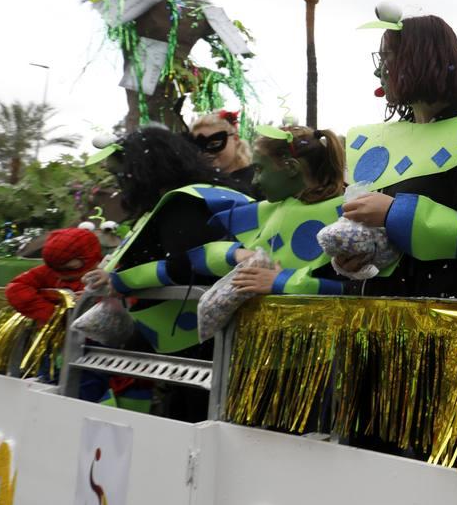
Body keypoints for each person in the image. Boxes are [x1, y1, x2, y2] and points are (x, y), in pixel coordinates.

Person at [335, 14, 457, 299]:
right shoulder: (383, 141)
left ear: (418, 59)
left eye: (386, 58)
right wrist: (354, 258)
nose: (379, 72)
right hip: (382, 318)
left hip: (450, 319)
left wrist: (394, 213)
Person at [81, 127, 251, 356]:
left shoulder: (183, 202)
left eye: (122, 174)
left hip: (199, 344)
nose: (121, 183)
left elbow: (189, 265)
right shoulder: (200, 194)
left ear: (144, 171)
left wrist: (122, 280)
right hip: (192, 338)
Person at [187, 126, 346, 296]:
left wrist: (282, 282)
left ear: (291, 168)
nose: (254, 181)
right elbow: (193, 260)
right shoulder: (262, 212)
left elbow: (361, 288)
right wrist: (236, 254)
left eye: (259, 169)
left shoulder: (347, 217)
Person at [4, 227, 101, 322]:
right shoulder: (47, 271)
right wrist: (51, 314)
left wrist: (96, 298)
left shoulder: (106, 274)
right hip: (57, 331)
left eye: (70, 268)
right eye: (56, 268)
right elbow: (16, 288)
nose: (62, 275)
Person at [189, 109, 256, 190]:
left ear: (235, 139)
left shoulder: (255, 180)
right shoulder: (201, 183)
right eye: (198, 147)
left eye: (214, 144)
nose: (205, 152)